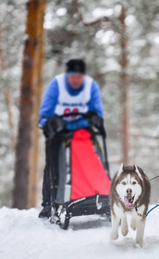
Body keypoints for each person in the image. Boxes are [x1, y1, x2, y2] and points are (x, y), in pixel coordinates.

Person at [38, 59, 104, 218]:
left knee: (94, 159)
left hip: (82, 131)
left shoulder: (91, 86)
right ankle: (48, 203)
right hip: (59, 131)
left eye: (78, 77)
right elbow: (44, 115)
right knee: (53, 165)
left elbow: (97, 112)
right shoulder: (56, 85)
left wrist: (96, 118)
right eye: (72, 77)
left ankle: (98, 194)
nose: (75, 80)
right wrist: (51, 122)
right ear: (67, 75)